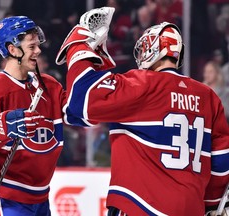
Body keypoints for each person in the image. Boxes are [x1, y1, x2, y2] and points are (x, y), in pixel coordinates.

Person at [56, 7, 229, 215]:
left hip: (141, 204)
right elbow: (221, 160)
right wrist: (211, 206)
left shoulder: (141, 83)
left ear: (153, 49)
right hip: (191, 208)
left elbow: (79, 103)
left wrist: (79, 45)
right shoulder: (208, 96)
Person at [0, 16, 66, 215]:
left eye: (38, 45)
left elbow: (81, 114)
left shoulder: (49, 86)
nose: (38, 51)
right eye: (32, 46)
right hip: (6, 194)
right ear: (12, 49)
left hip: (41, 196)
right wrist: (1, 129)